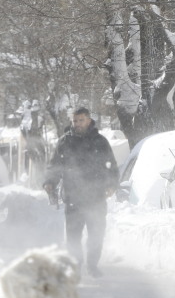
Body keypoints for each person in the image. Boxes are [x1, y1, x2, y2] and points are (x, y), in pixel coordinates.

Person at [43, 108, 118, 278]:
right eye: (75, 121)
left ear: (89, 120)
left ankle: (92, 265)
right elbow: (55, 166)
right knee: (73, 236)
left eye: (81, 120)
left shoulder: (100, 142)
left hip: (96, 197)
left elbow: (111, 166)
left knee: (96, 234)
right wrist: (50, 182)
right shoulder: (65, 142)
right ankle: (75, 266)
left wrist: (111, 184)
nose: (77, 124)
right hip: (73, 197)